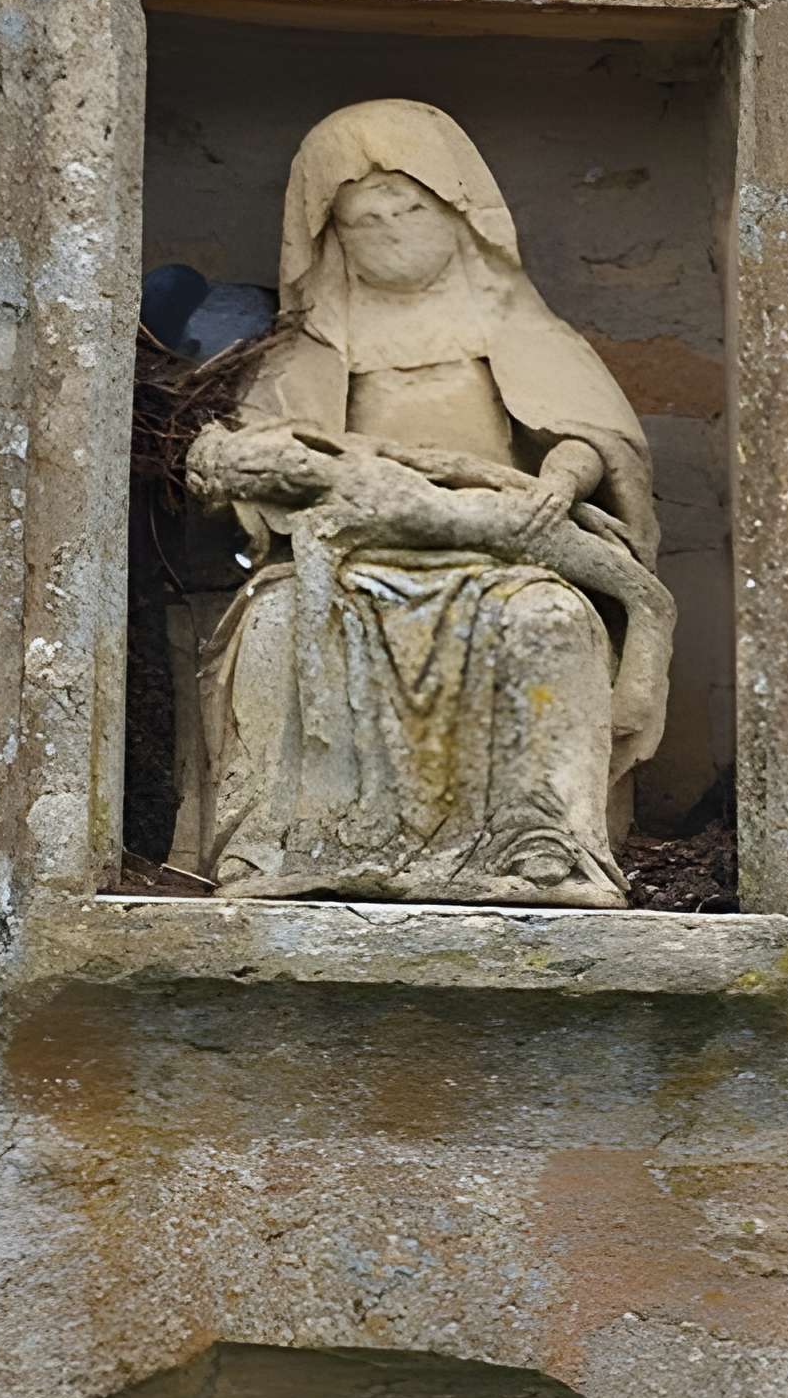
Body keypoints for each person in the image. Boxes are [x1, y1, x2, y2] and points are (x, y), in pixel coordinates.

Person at [187, 99, 673, 907]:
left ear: (457, 213)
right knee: (271, 626)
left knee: (550, 621)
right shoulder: (305, 351)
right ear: (330, 237)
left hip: (501, 551)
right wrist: (253, 472)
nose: (391, 230)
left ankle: (540, 846)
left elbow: (597, 436)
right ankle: (277, 848)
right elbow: (258, 463)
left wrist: (560, 480)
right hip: (351, 551)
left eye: (408, 208)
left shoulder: (521, 329)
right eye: (363, 218)